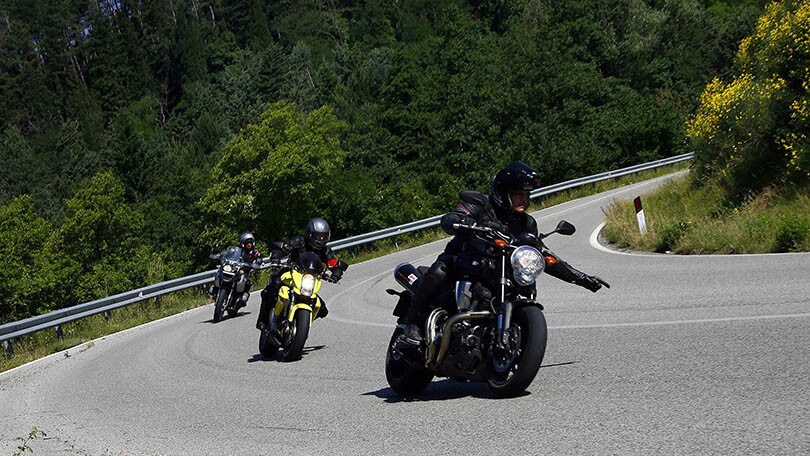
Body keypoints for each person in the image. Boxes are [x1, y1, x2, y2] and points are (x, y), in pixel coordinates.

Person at [402, 161, 610, 345]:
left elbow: (544, 255)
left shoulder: (527, 223)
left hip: (498, 272)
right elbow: (452, 218)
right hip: (464, 262)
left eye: (526, 194)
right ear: (503, 193)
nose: (524, 199)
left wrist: (581, 278)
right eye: (518, 194)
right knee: (440, 270)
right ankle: (414, 321)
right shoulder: (480, 204)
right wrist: (461, 221)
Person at [255, 217, 346, 331]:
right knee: (270, 289)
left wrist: (337, 272)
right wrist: (276, 256)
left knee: (322, 309)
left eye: (323, 236)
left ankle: (300, 324)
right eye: (318, 236)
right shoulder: (299, 242)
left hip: (310, 278)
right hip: (291, 272)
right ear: (310, 235)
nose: (320, 239)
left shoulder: (325, 251)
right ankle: (262, 320)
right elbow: (284, 248)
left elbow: (333, 262)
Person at [208, 231, 262, 305]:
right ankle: (215, 289)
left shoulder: (254, 252)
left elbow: (259, 259)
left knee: (247, 282)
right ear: (243, 243)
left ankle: (244, 296)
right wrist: (220, 256)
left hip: (245, 270)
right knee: (220, 271)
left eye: (251, 242)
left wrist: (257, 262)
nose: (249, 244)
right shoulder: (237, 249)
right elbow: (227, 253)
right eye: (247, 243)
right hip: (235, 268)